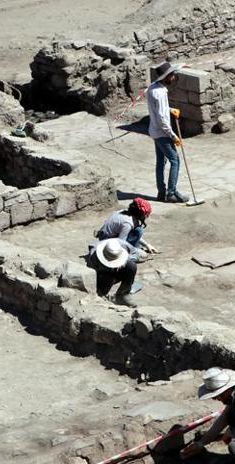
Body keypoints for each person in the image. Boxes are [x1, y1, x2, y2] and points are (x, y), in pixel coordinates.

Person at [147, 61, 189, 203]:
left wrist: (169, 109)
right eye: (171, 75)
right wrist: (173, 135)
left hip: (154, 131)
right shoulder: (160, 93)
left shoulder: (152, 89)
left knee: (160, 162)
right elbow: (162, 119)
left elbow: (158, 110)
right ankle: (171, 192)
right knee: (175, 160)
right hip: (162, 133)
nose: (173, 78)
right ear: (165, 77)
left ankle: (161, 192)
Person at [95, 198, 159, 261]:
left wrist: (147, 245)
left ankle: (133, 250)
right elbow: (121, 243)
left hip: (107, 236)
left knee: (138, 230)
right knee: (141, 255)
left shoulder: (124, 212)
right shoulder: (127, 223)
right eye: (145, 215)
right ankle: (117, 257)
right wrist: (135, 251)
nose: (146, 217)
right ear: (140, 214)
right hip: (107, 242)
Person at [88, 238, 138, 307]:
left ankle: (123, 294)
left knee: (131, 266)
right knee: (103, 290)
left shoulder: (122, 244)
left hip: (119, 267)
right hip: (104, 272)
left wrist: (123, 261)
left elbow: (136, 253)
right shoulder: (93, 256)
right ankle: (103, 293)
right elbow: (92, 275)